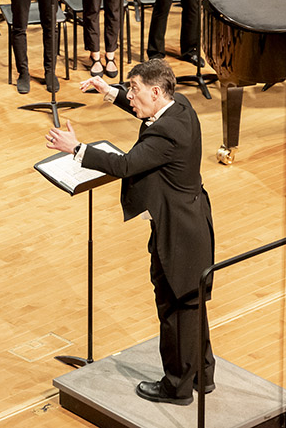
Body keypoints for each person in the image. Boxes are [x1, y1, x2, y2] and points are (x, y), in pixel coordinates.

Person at [46, 59, 215, 406]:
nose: (131, 96)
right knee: (191, 303)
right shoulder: (179, 105)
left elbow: (125, 164)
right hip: (191, 220)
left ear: (155, 91)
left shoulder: (166, 133)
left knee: (174, 307)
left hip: (178, 231)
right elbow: (143, 110)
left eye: (133, 90)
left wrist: (76, 149)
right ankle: (202, 374)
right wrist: (109, 92)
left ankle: (177, 387)